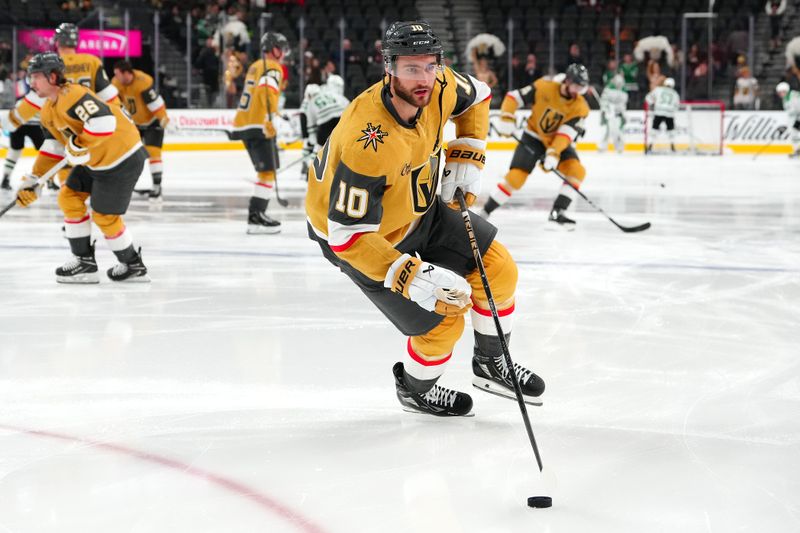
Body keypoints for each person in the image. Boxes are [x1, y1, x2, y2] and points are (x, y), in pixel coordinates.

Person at [304, 21, 545, 417]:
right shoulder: (368, 140)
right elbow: (346, 236)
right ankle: (414, 389)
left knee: (499, 269)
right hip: (366, 237)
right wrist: (409, 274)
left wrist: (468, 149)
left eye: (430, 66)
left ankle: (490, 363)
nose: (424, 78)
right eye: (411, 68)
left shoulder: (440, 86)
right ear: (389, 68)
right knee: (443, 322)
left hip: (420, 209)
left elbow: (479, 96)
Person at [14, 53, 149, 283]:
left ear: (53, 77)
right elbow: (53, 148)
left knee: (104, 215)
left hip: (121, 157)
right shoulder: (48, 110)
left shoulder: (72, 94)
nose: (31, 83)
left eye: (36, 77)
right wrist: (34, 180)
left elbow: (105, 122)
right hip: (96, 159)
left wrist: (78, 144)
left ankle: (132, 264)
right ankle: (84, 262)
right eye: (30, 77)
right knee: (68, 196)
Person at [483, 64, 591, 231]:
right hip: (533, 136)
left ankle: (557, 212)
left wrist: (553, 154)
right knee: (515, 178)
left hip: (556, 141)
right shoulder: (544, 87)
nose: (578, 91)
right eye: (576, 85)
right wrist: (506, 117)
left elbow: (565, 134)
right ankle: (484, 212)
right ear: (567, 81)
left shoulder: (581, 107)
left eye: (581, 87)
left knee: (577, 171)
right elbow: (513, 97)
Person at [231, 32, 289, 234]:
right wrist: (269, 117)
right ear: (274, 48)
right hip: (258, 125)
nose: (282, 53)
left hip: (246, 123)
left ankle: (256, 215)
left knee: (265, 170)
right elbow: (266, 92)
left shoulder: (256, 65)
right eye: (281, 48)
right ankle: (256, 218)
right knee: (267, 171)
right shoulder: (273, 66)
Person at [112, 61, 170, 201]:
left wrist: (163, 118)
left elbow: (155, 103)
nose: (116, 78)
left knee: (153, 153)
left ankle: (157, 187)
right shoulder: (116, 83)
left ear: (127, 73)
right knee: (126, 155)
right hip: (134, 124)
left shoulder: (142, 81)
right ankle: (123, 185)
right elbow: (114, 104)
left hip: (151, 123)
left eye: (118, 74)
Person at [1, 65, 45, 190]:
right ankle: (49, 179)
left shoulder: (24, 85)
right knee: (46, 153)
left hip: (18, 123)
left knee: (14, 152)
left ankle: (5, 178)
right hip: (33, 124)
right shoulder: (41, 87)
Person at [645, 77, 680, 154]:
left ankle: (650, 147)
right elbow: (677, 106)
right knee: (671, 131)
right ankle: (672, 147)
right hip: (669, 114)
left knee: (654, 130)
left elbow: (648, 98)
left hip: (658, 112)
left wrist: (652, 104)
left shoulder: (658, 89)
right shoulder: (675, 93)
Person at [599, 74, 628, 153]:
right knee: (608, 130)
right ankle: (602, 146)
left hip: (618, 114)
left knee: (618, 131)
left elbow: (623, 105)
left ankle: (619, 147)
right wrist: (604, 110)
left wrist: (623, 114)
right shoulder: (608, 89)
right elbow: (603, 100)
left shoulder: (624, 91)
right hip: (609, 113)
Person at [775, 81, 800, 157]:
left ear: (785, 91)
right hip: (798, 118)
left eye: (780, 92)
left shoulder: (794, 96)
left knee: (794, 133)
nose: (779, 94)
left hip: (799, 117)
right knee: (794, 133)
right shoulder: (786, 98)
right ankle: (796, 149)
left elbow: (798, 109)